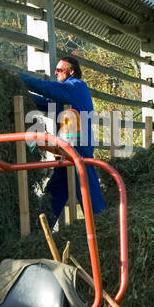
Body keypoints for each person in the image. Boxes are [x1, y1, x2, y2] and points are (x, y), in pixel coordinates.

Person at [19, 54, 106, 221]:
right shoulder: (64, 93)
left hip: (79, 146)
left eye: (60, 70)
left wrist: (21, 78)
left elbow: (46, 88)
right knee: (56, 190)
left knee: (87, 189)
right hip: (66, 148)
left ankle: (101, 224)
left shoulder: (76, 86)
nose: (56, 72)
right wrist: (19, 92)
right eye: (56, 70)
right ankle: (41, 230)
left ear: (71, 71)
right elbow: (43, 101)